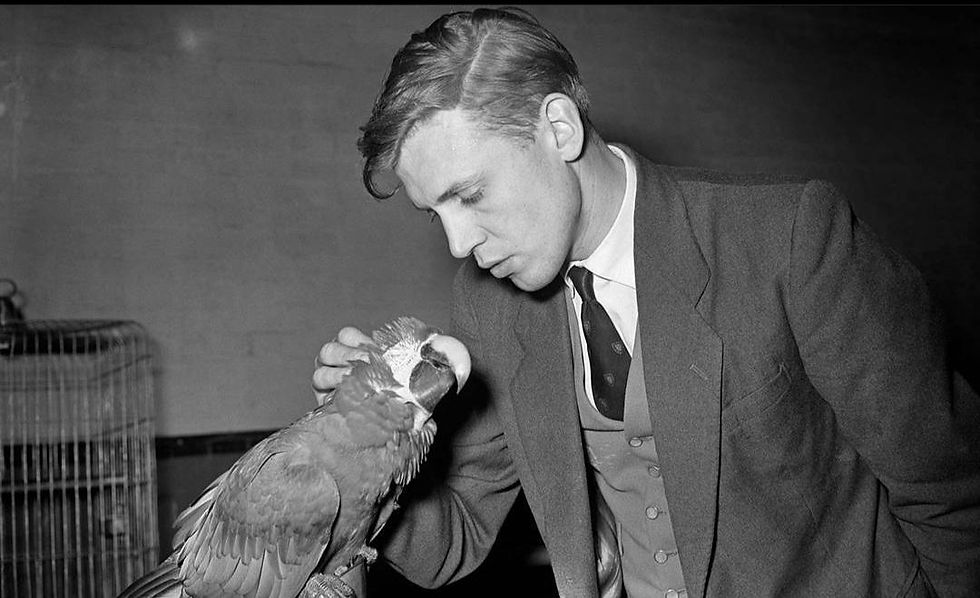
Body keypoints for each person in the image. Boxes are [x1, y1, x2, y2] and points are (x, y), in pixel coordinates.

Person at [313, 7, 980, 597]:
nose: (459, 244)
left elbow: (951, 496)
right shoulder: (490, 305)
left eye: (470, 194)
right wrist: (365, 458)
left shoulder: (790, 235)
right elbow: (452, 542)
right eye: (437, 215)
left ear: (559, 127)